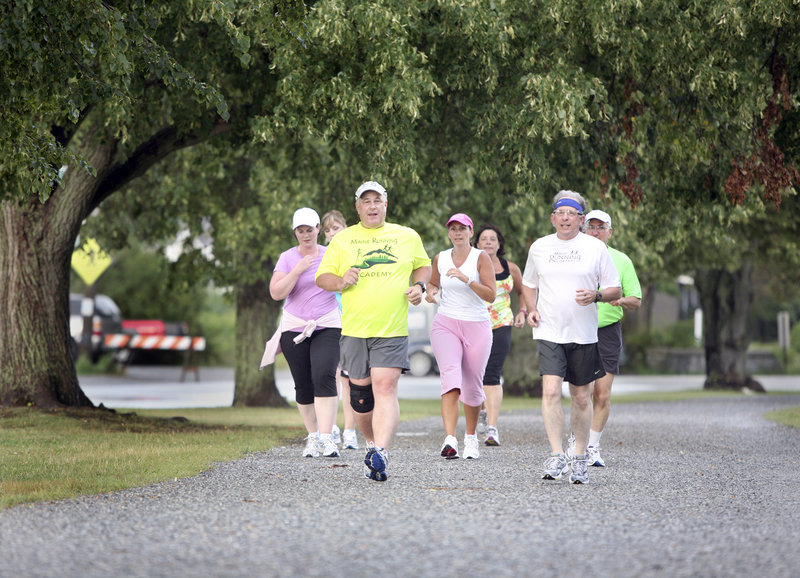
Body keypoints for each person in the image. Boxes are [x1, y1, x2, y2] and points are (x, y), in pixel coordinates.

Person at [316, 181, 431, 482]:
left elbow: (423, 267)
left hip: (391, 327)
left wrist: (418, 287)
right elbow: (322, 277)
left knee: (385, 386)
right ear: (357, 208)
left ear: (386, 204)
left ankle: (381, 451)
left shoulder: (406, 236)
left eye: (377, 200)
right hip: (354, 329)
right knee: (361, 398)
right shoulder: (343, 241)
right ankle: (370, 444)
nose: (372, 206)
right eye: (365, 201)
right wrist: (341, 281)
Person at [521, 190, 621, 484]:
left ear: (581, 219)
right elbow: (528, 284)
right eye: (560, 213)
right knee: (550, 391)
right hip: (549, 330)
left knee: (580, 396)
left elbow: (615, 289)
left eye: (571, 213)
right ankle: (555, 454)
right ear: (553, 218)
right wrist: (531, 308)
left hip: (584, 333)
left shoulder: (595, 248)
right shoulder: (539, 247)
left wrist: (597, 295)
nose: (565, 218)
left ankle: (579, 456)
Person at [566, 209, 642, 467]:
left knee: (602, 393)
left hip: (607, 330)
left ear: (610, 232)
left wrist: (617, 299)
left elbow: (636, 299)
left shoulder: (621, 260)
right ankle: (576, 440)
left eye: (601, 227)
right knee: (581, 391)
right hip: (578, 327)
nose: (595, 231)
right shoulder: (572, 256)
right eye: (591, 227)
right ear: (583, 229)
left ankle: (592, 446)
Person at [266, 208, 342, 459]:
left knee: (324, 375)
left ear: (319, 229)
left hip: (327, 324)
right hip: (294, 327)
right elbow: (276, 293)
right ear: (295, 232)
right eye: (301, 230)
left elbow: (346, 282)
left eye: (310, 229)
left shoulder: (331, 254)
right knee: (303, 383)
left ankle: (327, 437)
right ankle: (312, 436)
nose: (306, 234)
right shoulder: (287, 258)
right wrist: (297, 270)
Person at [426, 213, 495, 460]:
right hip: (446, 323)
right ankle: (450, 439)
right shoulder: (441, 258)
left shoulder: (481, 257)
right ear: (448, 233)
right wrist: (431, 293)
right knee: (451, 378)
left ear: (470, 232)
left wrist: (467, 280)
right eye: (453, 229)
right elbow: (433, 284)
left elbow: (490, 295)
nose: (457, 233)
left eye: (462, 229)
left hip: (476, 324)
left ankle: (470, 438)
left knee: (472, 385)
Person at [474, 224, 530, 447]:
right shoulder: (471, 266)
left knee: (492, 374)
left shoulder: (511, 268)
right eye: (484, 239)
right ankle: (479, 412)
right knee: (474, 376)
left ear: (499, 244)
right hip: (474, 324)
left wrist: (523, 311)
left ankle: (492, 429)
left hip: (501, 324)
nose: (488, 242)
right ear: (476, 244)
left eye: (493, 239)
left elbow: (523, 291)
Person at [321, 209, 359, 450]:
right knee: (331, 377)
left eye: (336, 227)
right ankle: (331, 427)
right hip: (328, 323)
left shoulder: (355, 252)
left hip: (353, 320)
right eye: (327, 230)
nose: (332, 233)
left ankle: (351, 431)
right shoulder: (323, 257)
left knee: (350, 379)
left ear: (345, 228)